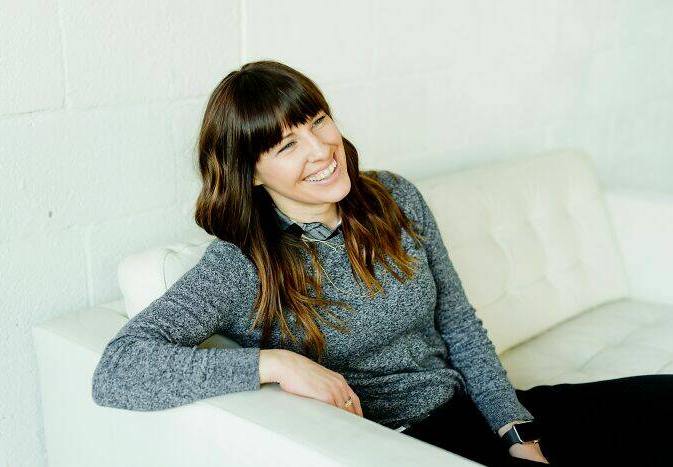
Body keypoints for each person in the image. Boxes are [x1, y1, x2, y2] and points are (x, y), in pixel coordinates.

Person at [91, 60, 673, 466]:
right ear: (251, 173)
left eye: (318, 122)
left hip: (473, 409)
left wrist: (515, 430)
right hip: (405, 445)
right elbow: (117, 370)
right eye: (287, 145)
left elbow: (459, 324)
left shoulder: (393, 197)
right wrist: (275, 364)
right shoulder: (243, 262)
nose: (321, 150)